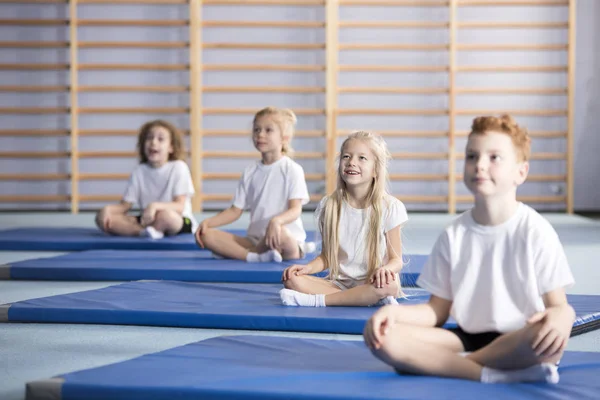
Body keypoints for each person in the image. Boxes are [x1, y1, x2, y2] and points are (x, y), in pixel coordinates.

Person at [363, 115, 575, 384]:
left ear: (521, 172)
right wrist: (393, 313)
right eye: (472, 156)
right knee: (386, 339)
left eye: (494, 157)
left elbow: (558, 307)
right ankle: (490, 374)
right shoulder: (454, 234)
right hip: (463, 338)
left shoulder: (535, 230)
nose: (480, 165)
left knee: (545, 334)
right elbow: (436, 312)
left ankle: (447, 365)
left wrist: (562, 316)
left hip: (520, 338)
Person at [280, 131, 408, 307]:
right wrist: (307, 268)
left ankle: (318, 301)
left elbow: (396, 260)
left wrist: (386, 270)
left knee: (388, 285)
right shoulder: (329, 205)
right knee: (292, 280)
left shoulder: (391, 207)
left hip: (373, 282)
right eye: (346, 156)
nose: (352, 162)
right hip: (338, 285)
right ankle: (360, 298)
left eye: (362, 158)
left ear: (376, 170)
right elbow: (327, 257)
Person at [195, 106, 314, 262]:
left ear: (284, 138)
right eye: (256, 129)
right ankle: (253, 256)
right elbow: (234, 211)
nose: (260, 134)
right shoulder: (250, 172)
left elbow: (295, 209)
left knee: (284, 237)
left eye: (268, 130)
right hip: (255, 240)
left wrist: (276, 222)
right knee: (207, 235)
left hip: (283, 236)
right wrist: (208, 222)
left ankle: (246, 253)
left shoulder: (292, 170)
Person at [95, 119, 197, 239]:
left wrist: (154, 206)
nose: (153, 142)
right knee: (105, 219)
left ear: (171, 147)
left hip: (177, 219)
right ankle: (144, 232)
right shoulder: (139, 171)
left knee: (166, 216)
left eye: (160, 139)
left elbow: (179, 206)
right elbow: (125, 206)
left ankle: (152, 230)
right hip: (148, 219)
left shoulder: (179, 167)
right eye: (149, 138)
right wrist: (107, 210)